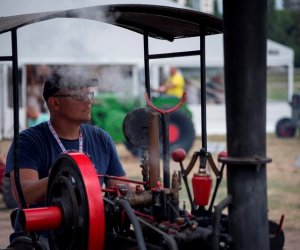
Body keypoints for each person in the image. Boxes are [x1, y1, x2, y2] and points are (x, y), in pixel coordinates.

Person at [5, 70, 128, 208]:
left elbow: (120, 188)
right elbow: (24, 194)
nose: (88, 100)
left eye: (88, 94)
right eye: (79, 96)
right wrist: (59, 177)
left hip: (90, 227)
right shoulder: (27, 141)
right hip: (42, 229)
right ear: (55, 103)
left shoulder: (102, 138)